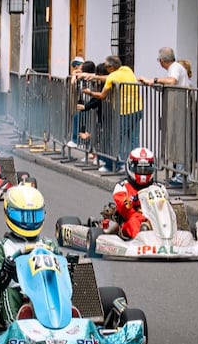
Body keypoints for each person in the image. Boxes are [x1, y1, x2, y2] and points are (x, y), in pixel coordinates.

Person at [0, 185, 59, 329]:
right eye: (22, 216)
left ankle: (71, 323)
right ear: (9, 213)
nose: (29, 222)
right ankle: (17, 328)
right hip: (14, 299)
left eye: (34, 216)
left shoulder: (49, 245)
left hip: (47, 295)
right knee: (9, 292)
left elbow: (62, 276)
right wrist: (5, 271)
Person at [138, 47, 191, 187]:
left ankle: (181, 177)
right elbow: (168, 86)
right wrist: (152, 84)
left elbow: (172, 82)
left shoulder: (174, 68)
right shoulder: (176, 67)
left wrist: (153, 79)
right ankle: (178, 175)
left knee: (179, 142)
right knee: (176, 142)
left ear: (162, 60)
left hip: (179, 108)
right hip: (177, 108)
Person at [82, 55, 143, 173]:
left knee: (116, 138)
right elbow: (109, 77)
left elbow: (102, 96)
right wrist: (96, 77)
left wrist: (90, 92)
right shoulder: (127, 70)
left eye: (106, 66)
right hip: (138, 109)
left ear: (110, 67)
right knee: (134, 139)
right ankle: (134, 165)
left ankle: (118, 164)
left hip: (125, 111)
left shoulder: (112, 77)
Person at [112, 147, 157, 239]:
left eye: (146, 170)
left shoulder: (158, 187)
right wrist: (133, 200)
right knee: (134, 222)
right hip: (131, 219)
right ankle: (142, 237)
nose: (143, 173)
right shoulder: (122, 187)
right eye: (140, 169)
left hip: (156, 218)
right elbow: (124, 208)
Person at [66, 57, 96, 149]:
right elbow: (74, 76)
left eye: (78, 65)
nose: (76, 68)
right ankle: (84, 144)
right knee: (81, 121)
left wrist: (77, 75)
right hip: (87, 102)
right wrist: (75, 75)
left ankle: (82, 144)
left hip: (93, 102)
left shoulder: (92, 76)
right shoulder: (82, 75)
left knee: (91, 125)